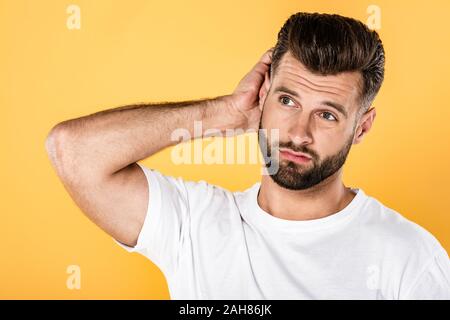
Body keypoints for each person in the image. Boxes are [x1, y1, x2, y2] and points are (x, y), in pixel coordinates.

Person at [45, 12, 450, 299]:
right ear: (264, 95)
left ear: (361, 127)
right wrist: (225, 113)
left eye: (326, 114)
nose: (297, 133)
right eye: (288, 100)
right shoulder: (195, 224)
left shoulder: (409, 257)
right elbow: (73, 151)